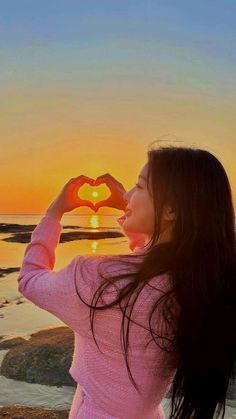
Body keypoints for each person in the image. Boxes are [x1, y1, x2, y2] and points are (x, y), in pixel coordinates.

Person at [17, 145, 236, 419]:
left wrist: (54, 213)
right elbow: (145, 272)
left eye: (139, 186)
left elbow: (30, 279)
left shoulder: (96, 277)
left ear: (171, 210)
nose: (130, 195)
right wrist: (131, 208)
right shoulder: (201, 282)